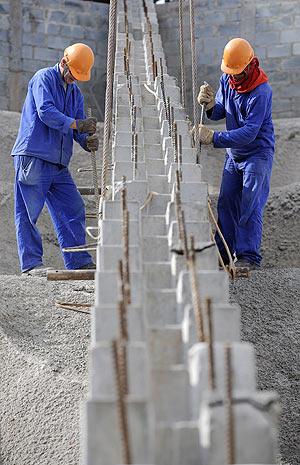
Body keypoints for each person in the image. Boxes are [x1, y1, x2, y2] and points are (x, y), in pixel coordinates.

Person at [11, 43, 99, 275]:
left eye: (79, 77)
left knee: (73, 207)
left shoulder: (75, 93)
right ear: (63, 62)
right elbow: (46, 113)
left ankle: (78, 261)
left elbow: (77, 127)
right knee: (28, 211)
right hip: (34, 156)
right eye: (73, 74)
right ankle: (31, 264)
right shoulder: (43, 78)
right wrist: (76, 124)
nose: (74, 80)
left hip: (58, 163)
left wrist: (85, 140)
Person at [198, 38, 274, 270]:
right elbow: (221, 110)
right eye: (230, 73)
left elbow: (250, 132)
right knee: (226, 203)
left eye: (238, 73)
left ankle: (248, 257)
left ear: (251, 65)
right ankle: (222, 256)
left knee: (249, 204)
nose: (234, 77)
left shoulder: (261, 92)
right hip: (235, 155)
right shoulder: (228, 79)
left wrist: (214, 138)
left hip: (256, 155)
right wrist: (210, 104)